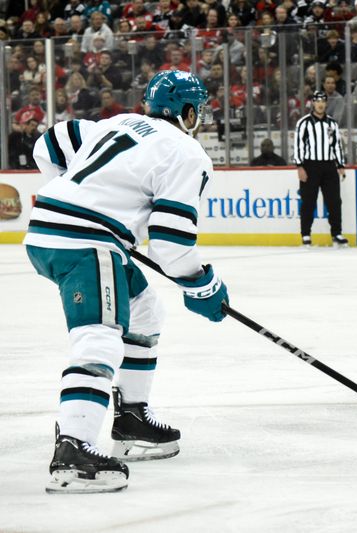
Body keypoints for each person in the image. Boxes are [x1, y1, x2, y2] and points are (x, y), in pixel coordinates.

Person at [25, 70, 229, 494]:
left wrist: (83, 201)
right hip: (85, 241)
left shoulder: (112, 123)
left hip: (53, 229)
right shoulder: (187, 152)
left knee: (145, 311)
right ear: (188, 112)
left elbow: (47, 144)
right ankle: (73, 450)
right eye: (200, 110)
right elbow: (171, 244)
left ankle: (131, 419)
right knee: (98, 338)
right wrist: (202, 285)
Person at [293, 90, 348, 248]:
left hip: (329, 166)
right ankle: (306, 234)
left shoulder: (332, 123)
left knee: (334, 202)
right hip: (311, 165)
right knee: (308, 201)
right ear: (313, 103)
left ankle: (336, 233)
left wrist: (340, 165)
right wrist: (300, 166)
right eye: (317, 101)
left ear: (326, 103)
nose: (321, 104)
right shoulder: (304, 123)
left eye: (323, 101)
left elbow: (337, 145)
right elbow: (298, 145)